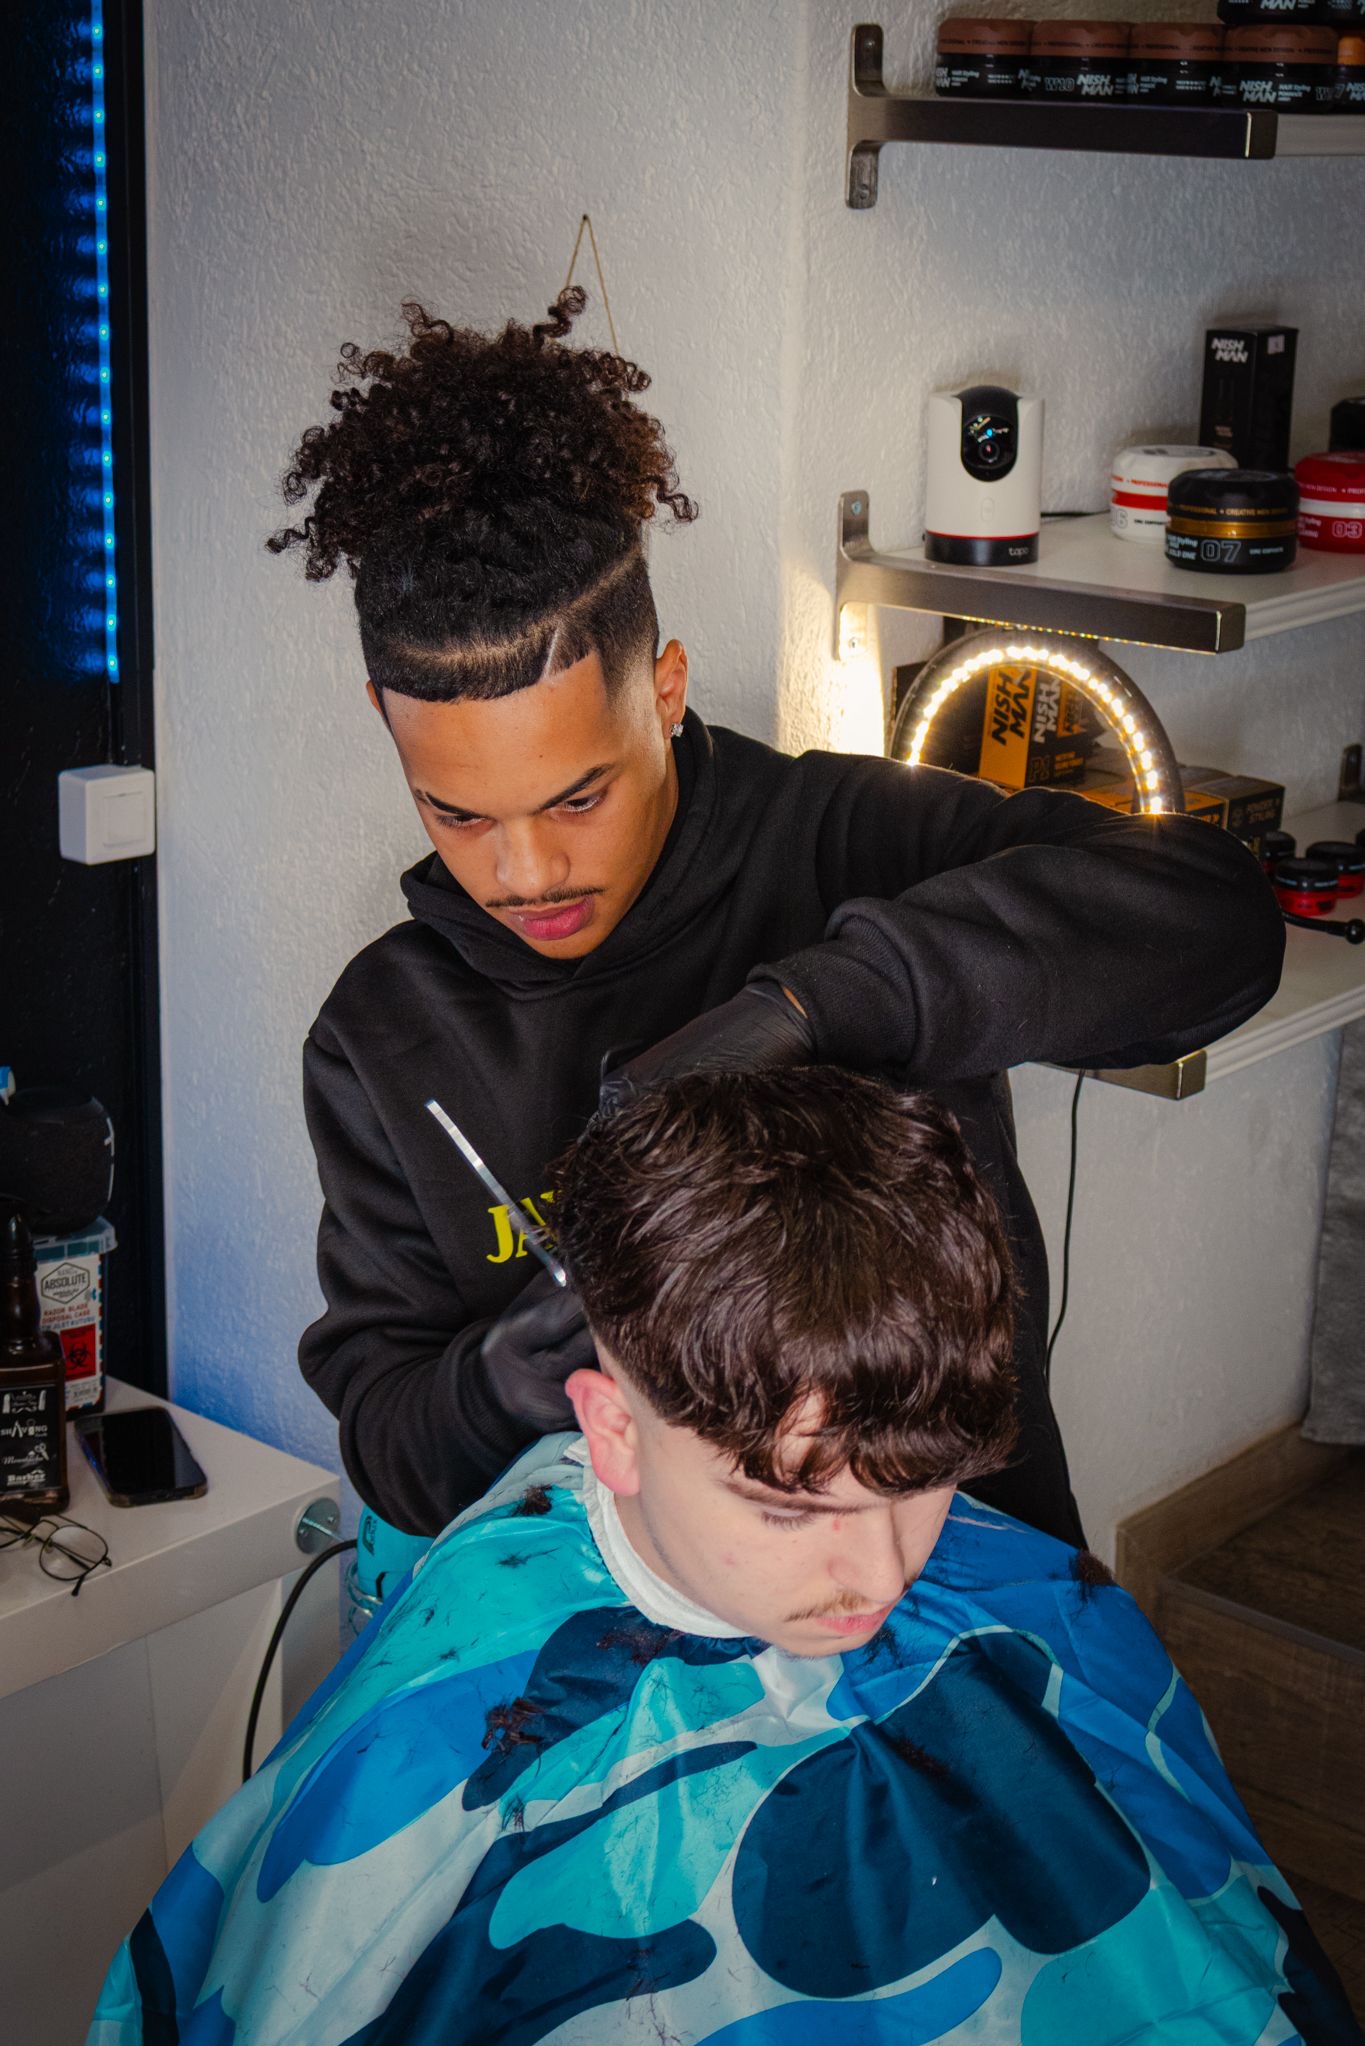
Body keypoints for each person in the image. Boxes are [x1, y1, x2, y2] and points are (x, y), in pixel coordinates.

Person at [273, 288, 1283, 1550]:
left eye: (579, 793)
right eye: (458, 814)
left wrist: (809, 1007)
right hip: (603, 1666)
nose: (526, 871)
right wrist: (504, 1378)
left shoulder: (844, 841)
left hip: (951, 1599)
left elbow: (1223, 928)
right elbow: (394, 1449)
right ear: (387, 722)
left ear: (666, 684)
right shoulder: (387, 1037)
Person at [86, 1070, 1357, 2046]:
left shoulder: (1038, 1603)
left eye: (920, 1485)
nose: (883, 1570)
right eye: (791, 1509)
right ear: (612, 1429)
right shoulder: (453, 1729)